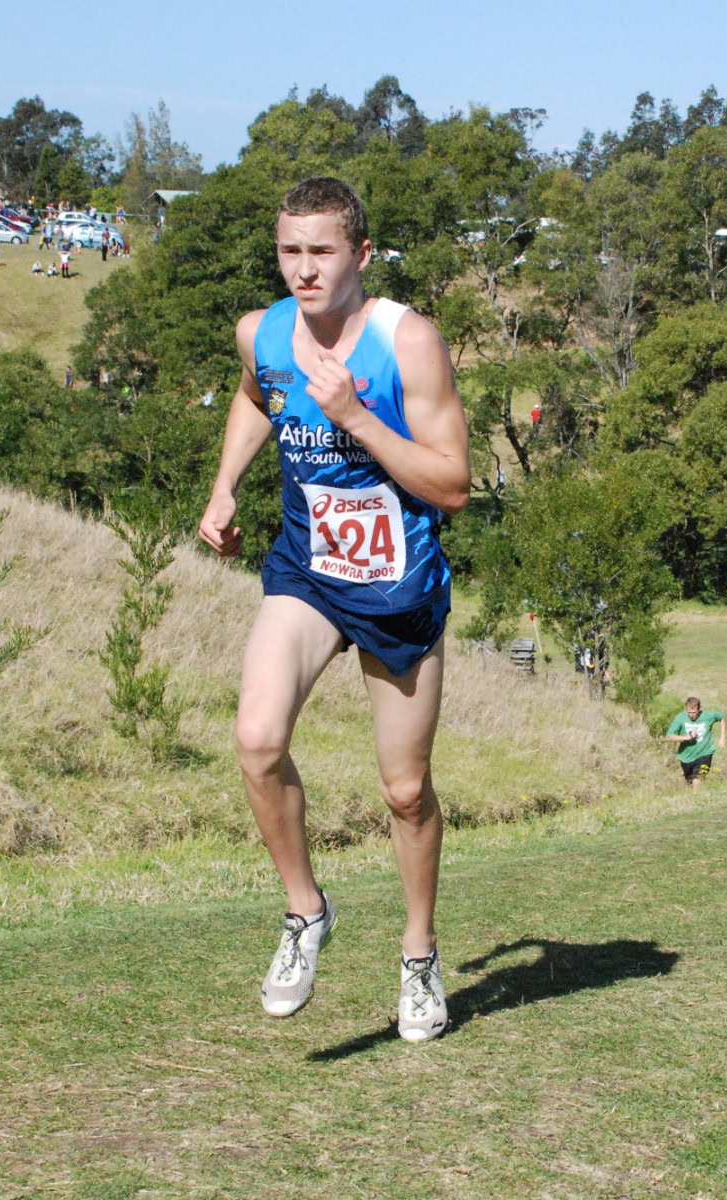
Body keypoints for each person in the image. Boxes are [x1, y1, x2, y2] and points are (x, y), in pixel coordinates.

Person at [196, 177, 470, 1040]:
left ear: (361, 253)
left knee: (405, 789)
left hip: (398, 584)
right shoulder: (262, 333)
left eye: (321, 252)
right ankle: (306, 911)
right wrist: (226, 487)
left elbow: (452, 484)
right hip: (307, 568)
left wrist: (355, 418)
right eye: (290, 252)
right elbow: (256, 398)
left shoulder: (407, 342)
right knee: (255, 739)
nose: (304, 271)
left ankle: (419, 954)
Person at [664, 697, 725, 787]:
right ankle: (694, 797)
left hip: (705, 752)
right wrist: (686, 737)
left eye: (694, 712)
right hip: (686, 756)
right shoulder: (680, 718)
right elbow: (668, 737)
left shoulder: (708, 716)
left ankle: (697, 800)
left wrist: (723, 737)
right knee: (689, 782)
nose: (692, 715)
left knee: (697, 778)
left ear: (699, 709)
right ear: (686, 709)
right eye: (689, 712)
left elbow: (722, 717)